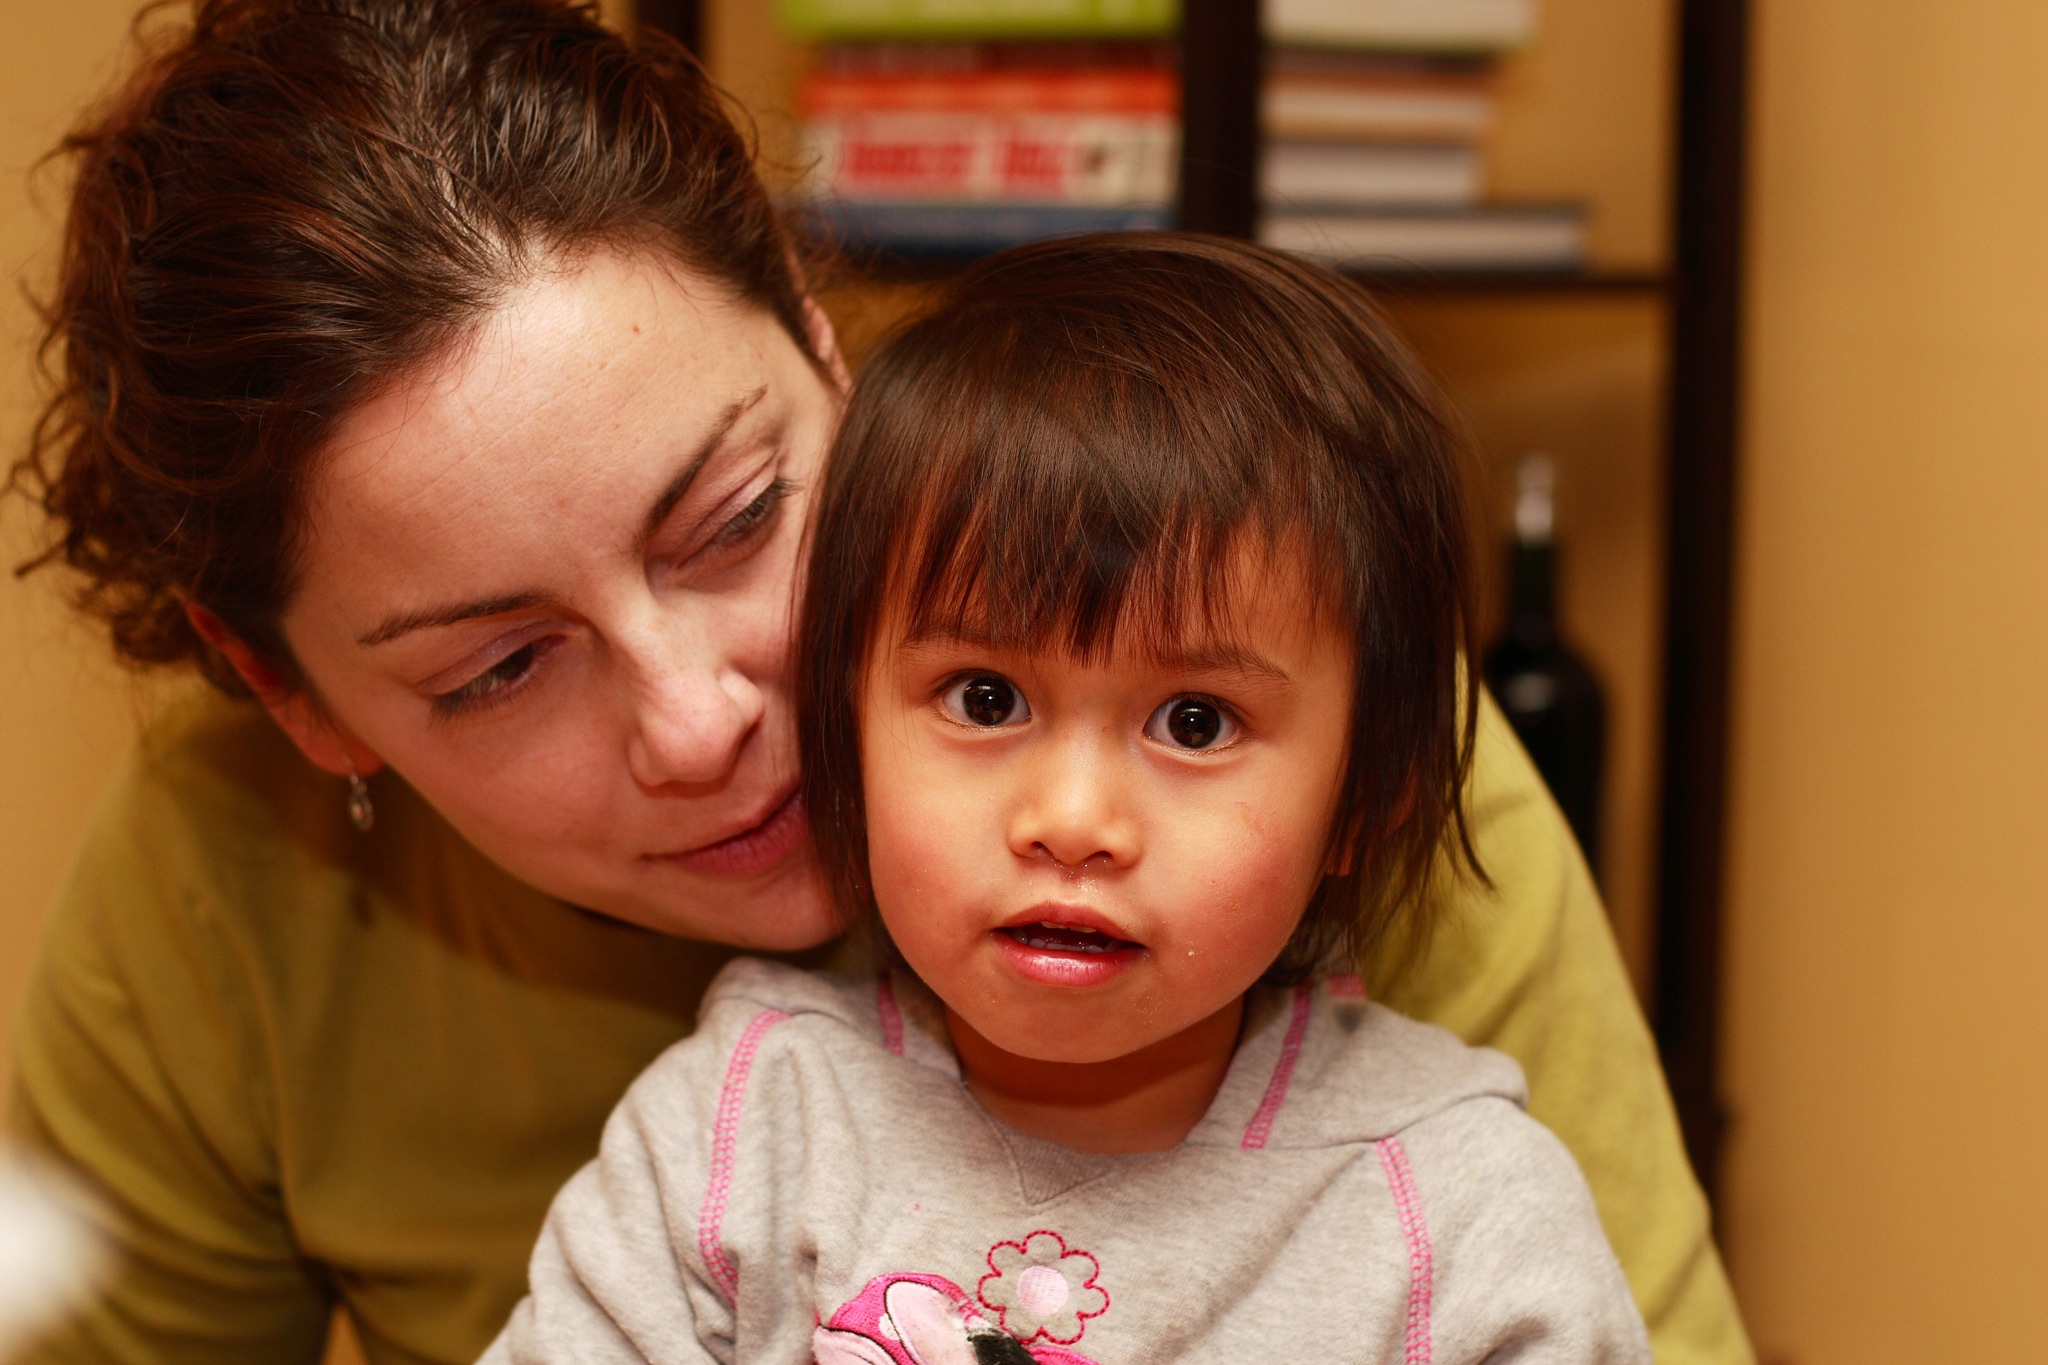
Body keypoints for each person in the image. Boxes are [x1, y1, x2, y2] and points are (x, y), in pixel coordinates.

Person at [2, 1, 1747, 1362]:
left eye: (739, 516)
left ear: (824, 348)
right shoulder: (220, 892)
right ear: (292, 699)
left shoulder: (1285, 732)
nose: (706, 724)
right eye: (501, 666)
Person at [485, 235, 1653, 1365]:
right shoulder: (736, 1132)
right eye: (984, 699)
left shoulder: (1453, 1206)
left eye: (1193, 722)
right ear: (844, 727)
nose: (1072, 820)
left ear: (1365, 794)